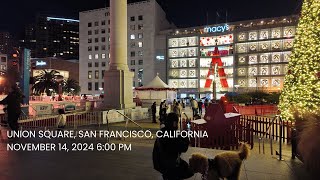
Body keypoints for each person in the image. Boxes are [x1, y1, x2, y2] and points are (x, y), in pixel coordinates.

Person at [153, 113, 194, 180]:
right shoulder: (171, 133)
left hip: (162, 164)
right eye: (177, 122)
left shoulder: (162, 131)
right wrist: (186, 136)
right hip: (170, 166)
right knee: (188, 170)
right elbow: (183, 147)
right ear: (174, 123)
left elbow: (175, 141)